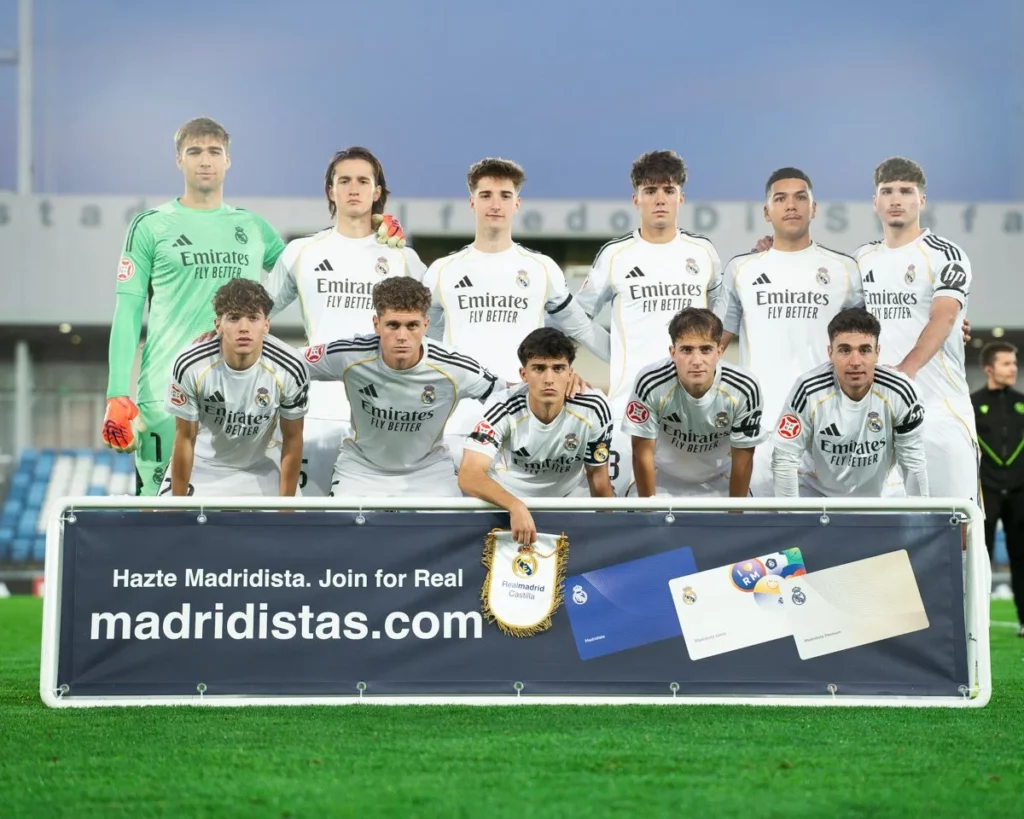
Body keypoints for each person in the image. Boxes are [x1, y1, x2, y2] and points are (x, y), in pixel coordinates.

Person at [101, 120, 404, 496]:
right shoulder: (150, 226)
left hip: (245, 403)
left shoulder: (254, 228)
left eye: (214, 152)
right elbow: (127, 312)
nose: (204, 160)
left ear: (228, 160)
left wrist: (372, 229)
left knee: (241, 526)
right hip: (168, 394)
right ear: (179, 160)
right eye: (194, 151)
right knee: (162, 521)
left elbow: (317, 262)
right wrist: (117, 392)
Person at [421, 157, 610, 469]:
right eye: (486, 195)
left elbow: (582, 329)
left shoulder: (541, 268)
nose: (496, 204)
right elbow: (428, 344)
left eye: (505, 196)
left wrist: (633, 364)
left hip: (523, 410)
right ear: (471, 203)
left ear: (517, 204)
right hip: (459, 415)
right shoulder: (442, 271)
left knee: (522, 509)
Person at [263, 147, 427, 496]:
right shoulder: (301, 252)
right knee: (308, 518)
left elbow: (434, 330)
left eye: (363, 181)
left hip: (384, 415)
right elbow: (257, 314)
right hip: (315, 410)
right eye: (344, 180)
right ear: (330, 191)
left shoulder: (403, 258)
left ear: (377, 192)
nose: (354, 188)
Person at [575, 150, 723, 497]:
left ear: (681, 198)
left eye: (668, 191)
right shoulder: (615, 255)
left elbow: (718, 317)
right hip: (630, 404)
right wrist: (613, 352)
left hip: (695, 410)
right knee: (627, 509)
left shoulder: (703, 253)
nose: (660, 200)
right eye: (651, 191)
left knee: (702, 508)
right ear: (636, 198)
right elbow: (578, 315)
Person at [714, 167, 864, 496]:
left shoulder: (844, 269)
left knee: (826, 538)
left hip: (828, 428)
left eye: (800, 197)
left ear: (814, 208)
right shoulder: (742, 269)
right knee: (765, 536)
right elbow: (713, 344)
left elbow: (863, 345)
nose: (791, 205)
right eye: (780, 199)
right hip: (762, 428)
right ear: (767, 212)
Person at [301, 277, 498, 497]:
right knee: (343, 529)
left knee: (452, 530)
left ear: (426, 324)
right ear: (376, 324)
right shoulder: (349, 354)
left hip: (430, 471)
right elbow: (287, 363)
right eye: (393, 325)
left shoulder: (455, 367)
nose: (402, 336)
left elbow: (505, 397)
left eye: (412, 325)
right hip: (362, 470)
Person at [854, 157, 978, 502]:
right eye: (887, 191)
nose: (896, 199)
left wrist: (905, 372)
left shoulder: (945, 254)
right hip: (878, 414)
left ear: (921, 200)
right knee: (884, 536)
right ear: (875, 202)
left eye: (906, 191)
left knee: (955, 527)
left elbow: (945, 318)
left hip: (939, 410)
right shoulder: (861, 260)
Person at [458, 329, 614, 543]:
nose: (549, 379)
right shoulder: (503, 405)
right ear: (523, 374)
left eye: (558, 368)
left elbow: (598, 476)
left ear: (571, 373)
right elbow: (469, 474)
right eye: (539, 369)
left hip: (565, 500)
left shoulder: (594, 406)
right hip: (504, 500)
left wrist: (612, 531)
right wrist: (515, 506)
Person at [162, 280, 309, 497]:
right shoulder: (191, 365)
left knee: (288, 530)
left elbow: (293, 438)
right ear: (218, 325)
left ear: (266, 324)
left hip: (261, 465)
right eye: (233, 318)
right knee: (169, 528)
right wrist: (178, 507)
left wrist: (285, 508)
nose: (243, 328)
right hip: (203, 465)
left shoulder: (291, 366)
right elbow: (185, 437)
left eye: (253, 318)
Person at [771, 307, 927, 498]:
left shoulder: (901, 392)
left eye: (865, 350)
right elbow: (785, 459)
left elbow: (913, 464)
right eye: (844, 350)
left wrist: (921, 521)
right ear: (830, 353)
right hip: (817, 494)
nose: (855, 361)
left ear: (877, 352)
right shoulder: (807, 390)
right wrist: (790, 519)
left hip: (883, 496)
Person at [620, 308, 766, 498]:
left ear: (719, 351)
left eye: (706, 349)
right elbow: (642, 454)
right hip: (662, 479)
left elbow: (743, 460)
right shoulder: (650, 382)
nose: (697, 361)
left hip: (721, 480)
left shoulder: (744, 387)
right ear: (672, 353)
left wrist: (734, 516)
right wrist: (650, 512)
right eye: (687, 350)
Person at [971, 341, 1024, 636]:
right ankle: (977, 622)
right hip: (985, 493)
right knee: (981, 560)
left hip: (1020, 493)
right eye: (1006, 363)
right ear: (989, 368)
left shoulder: (1022, 402)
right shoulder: (971, 404)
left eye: (1014, 363)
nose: (1013, 368)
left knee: (1022, 559)